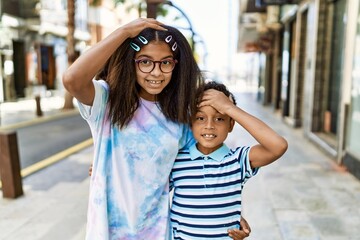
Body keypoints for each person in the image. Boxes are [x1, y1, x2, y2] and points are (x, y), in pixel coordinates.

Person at [63, 18, 251, 239]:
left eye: (166, 62)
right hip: (107, 232)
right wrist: (123, 32)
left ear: (176, 65)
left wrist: (225, 213)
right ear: (131, 62)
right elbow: (72, 79)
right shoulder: (106, 101)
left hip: (159, 233)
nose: (156, 72)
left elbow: (199, 172)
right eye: (145, 62)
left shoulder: (180, 117)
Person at [169, 81, 288, 239]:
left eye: (219, 119)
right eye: (200, 118)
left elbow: (278, 146)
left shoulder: (237, 160)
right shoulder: (175, 159)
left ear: (231, 124)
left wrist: (230, 108)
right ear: (190, 122)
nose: (209, 126)